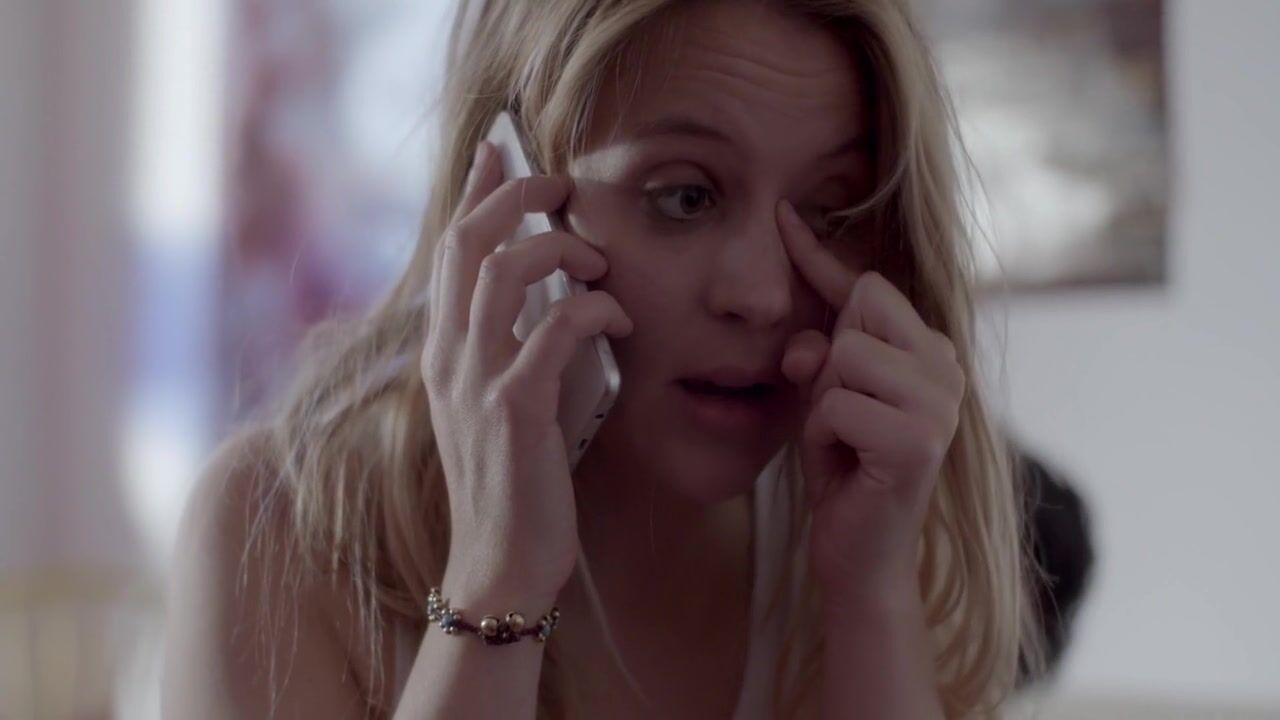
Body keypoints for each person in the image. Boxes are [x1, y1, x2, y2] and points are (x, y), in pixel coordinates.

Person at [162, 0, 1044, 717]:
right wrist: (497, 576)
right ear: (507, 198)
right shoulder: (281, 534)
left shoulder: (865, 540)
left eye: (828, 213)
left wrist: (870, 597)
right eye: (685, 196)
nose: (765, 295)